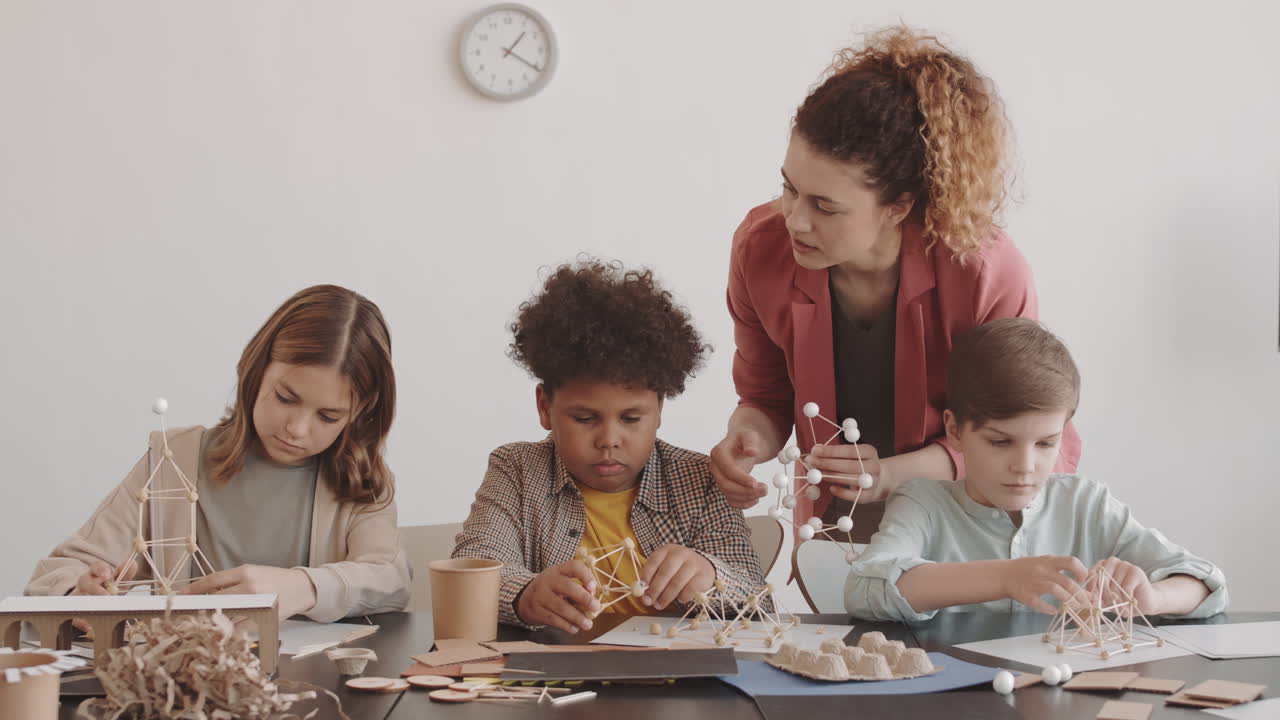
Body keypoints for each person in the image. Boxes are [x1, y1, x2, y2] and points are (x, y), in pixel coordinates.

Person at [710, 26, 1081, 541]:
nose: (795, 219)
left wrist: (890, 475)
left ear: (898, 207)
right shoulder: (760, 249)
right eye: (789, 189)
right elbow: (766, 394)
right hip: (833, 529)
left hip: (969, 525)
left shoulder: (986, 274)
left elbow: (1017, 432)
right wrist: (745, 439)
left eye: (825, 206)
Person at [27, 285, 411, 621]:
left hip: (316, 692)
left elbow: (390, 581)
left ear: (360, 413)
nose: (297, 428)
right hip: (190, 689)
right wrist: (78, 593)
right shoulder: (173, 460)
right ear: (256, 370)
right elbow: (56, 571)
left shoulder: (361, 481)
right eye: (285, 397)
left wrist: (303, 587)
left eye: (328, 416)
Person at [452, 260, 765, 634]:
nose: (609, 440)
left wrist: (712, 575)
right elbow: (476, 565)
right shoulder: (516, 469)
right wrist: (525, 594)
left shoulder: (700, 480)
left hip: (675, 678)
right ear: (544, 407)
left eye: (632, 419)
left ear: (660, 409)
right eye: (585, 419)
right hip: (558, 679)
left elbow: (755, 592)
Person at [845, 318, 1227, 621]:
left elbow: (1206, 582)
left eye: (1046, 443)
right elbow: (864, 588)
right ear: (955, 430)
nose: (1024, 467)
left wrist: (1155, 597)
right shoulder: (923, 503)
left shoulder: (1087, 505)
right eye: (1000, 442)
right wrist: (1005, 578)